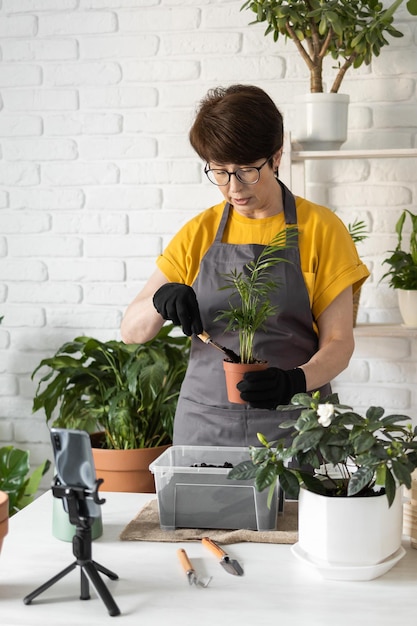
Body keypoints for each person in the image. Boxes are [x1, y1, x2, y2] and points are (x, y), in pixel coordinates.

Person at [121, 84, 369, 447]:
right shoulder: (199, 232)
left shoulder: (321, 229)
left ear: (277, 156)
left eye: (247, 171)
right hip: (204, 428)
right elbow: (132, 331)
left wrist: (294, 382)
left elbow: (339, 342)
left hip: (294, 427)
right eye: (220, 172)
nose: (233, 187)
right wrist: (161, 300)